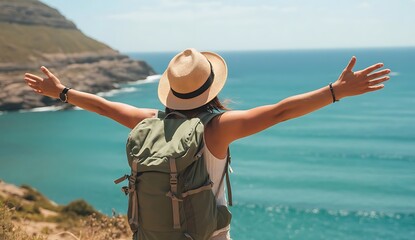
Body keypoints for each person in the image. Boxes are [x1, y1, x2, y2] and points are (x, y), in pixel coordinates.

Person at [24, 48, 390, 239]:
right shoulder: (218, 128)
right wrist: (336, 91)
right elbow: (280, 112)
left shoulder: (147, 121)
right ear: (212, 87)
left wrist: (63, 92)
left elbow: (105, 107)